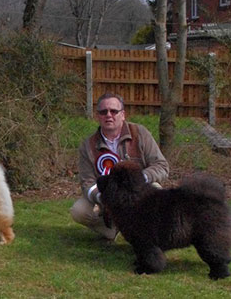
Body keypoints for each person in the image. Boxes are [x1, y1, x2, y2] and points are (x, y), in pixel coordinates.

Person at [71, 93, 170, 240]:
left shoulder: (140, 133)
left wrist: (139, 179)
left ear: (123, 114)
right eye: (103, 112)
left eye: (114, 111)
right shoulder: (88, 145)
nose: (108, 115)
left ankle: (147, 237)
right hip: (107, 196)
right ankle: (111, 230)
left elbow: (161, 166)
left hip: (139, 191)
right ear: (98, 116)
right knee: (78, 210)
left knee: (157, 193)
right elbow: (87, 183)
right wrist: (104, 198)